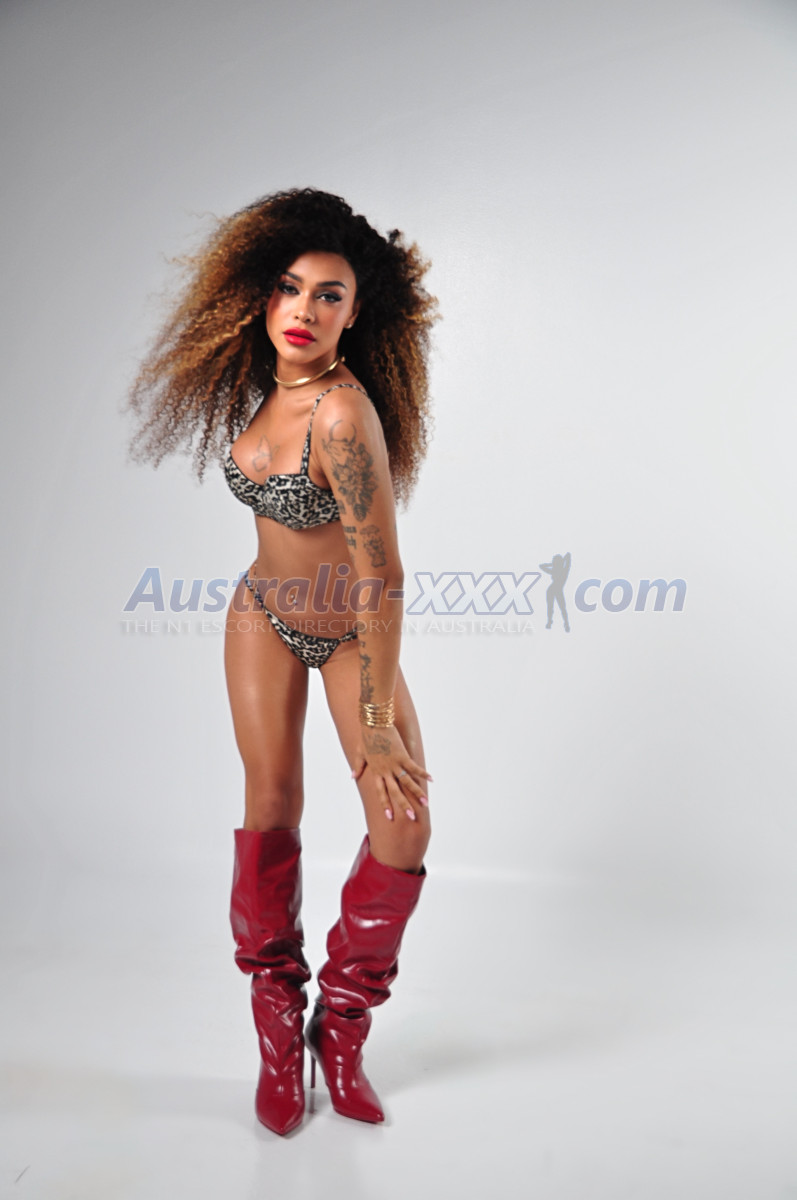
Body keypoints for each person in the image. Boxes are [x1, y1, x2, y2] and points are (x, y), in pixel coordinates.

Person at [127, 187, 437, 1135]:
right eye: (290, 288)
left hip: (348, 634)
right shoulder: (268, 388)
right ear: (259, 294)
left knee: (403, 829)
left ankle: (339, 1027)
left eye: (329, 295)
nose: (304, 310)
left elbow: (381, 577)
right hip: (260, 613)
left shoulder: (341, 416)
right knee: (268, 806)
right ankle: (275, 1030)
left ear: (357, 311)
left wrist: (376, 721)